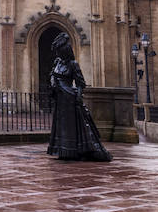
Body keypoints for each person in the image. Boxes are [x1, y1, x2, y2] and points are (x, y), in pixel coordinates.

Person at [46, 33, 112, 162]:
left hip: (70, 99)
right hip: (60, 100)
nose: (58, 53)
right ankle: (63, 151)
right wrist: (53, 81)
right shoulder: (57, 63)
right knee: (62, 126)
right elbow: (52, 75)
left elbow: (81, 83)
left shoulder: (73, 64)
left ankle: (75, 151)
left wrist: (78, 96)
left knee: (72, 127)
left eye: (60, 51)